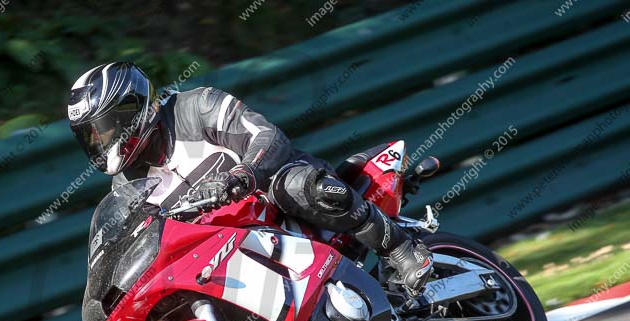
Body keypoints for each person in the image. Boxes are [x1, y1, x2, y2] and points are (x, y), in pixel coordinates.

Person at [68, 62, 433, 293]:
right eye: (92, 136)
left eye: (104, 129)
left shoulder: (195, 107)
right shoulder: (126, 185)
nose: (102, 142)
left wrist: (244, 173)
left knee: (295, 187)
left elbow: (268, 137)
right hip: (224, 247)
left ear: (133, 108)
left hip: (272, 200)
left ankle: (400, 247)